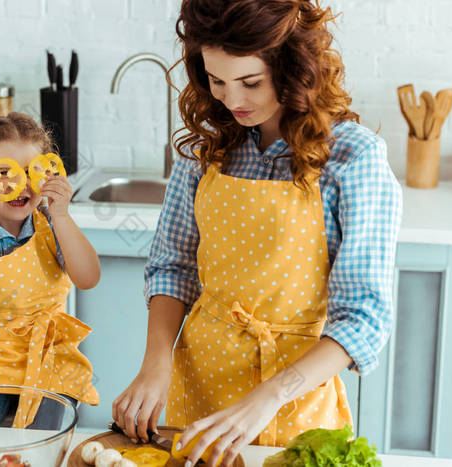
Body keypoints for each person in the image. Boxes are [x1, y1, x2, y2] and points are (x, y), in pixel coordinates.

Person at [112, 0, 402, 465]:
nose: (233, 100)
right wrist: (155, 364)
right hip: (200, 384)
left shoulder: (352, 157)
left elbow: (364, 319)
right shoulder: (207, 148)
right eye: (217, 80)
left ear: (293, 68)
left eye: (250, 82)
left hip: (293, 396)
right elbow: (174, 266)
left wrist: (268, 397)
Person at [0, 112, 100, 428]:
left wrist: (63, 216)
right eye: (4, 173)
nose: (21, 184)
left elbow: (89, 277)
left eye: (32, 172)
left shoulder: (53, 225)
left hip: (49, 357)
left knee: (45, 441)